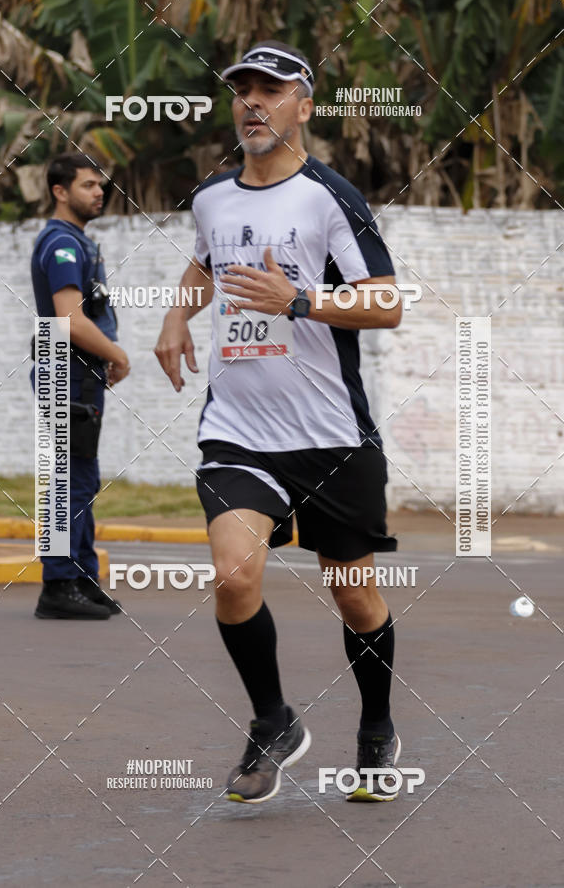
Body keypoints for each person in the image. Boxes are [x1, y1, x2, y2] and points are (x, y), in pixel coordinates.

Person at [155, 41, 401, 803]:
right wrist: (175, 318)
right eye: (243, 91)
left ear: (305, 104)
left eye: (272, 89)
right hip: (239, 428)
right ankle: (273, 721)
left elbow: (387, 302)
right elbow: (205, 260)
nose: (253, 102)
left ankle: (377, 731)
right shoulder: (213, 197)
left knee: (355, 595)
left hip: (330, 435)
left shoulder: (332, 197)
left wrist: (298, 301)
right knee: (232, 575)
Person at [30, 153, 130, 620]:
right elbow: (68, 318)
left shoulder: (77, 241)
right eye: (88, 184)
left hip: (77, 370)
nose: (99, 192)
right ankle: (57, 585)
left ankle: (84, 579)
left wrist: (103, 356)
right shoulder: (60, 244)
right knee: (66, 480)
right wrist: (116, 353)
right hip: (62, 365)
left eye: (100, 185)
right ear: (60, 191)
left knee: (80, 477)